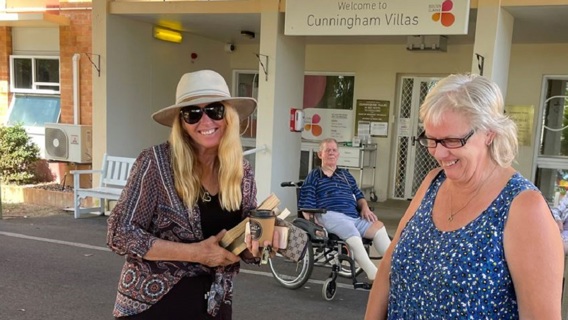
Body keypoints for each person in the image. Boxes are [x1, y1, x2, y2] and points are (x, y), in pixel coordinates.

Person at [365, 74, 563, 319]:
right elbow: (387, 267)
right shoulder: (432, 183)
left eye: (451, 140)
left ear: (489, 133)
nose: (438, 152)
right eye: (431, 139)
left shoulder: (524, 207)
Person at [106, 70, 272, 319]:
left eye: (215, 110)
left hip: (214, 302)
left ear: (229, 116)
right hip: (154, 305)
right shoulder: (155, 163)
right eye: (193, 113)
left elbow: (245, 239)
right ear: (182, 123)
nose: (205, 122)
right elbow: (119, 233)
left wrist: (261, 241)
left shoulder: (241, 171)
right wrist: (196, 253)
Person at [298, 138, 391, 285]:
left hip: (352, 216)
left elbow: (359, 195)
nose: (331, 153)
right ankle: (374, 274)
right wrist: (312, 223)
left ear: (338, 154)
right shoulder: (314, 176)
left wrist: (365, 208)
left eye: (334, 150)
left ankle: (394, 268)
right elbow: (306, 203)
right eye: (327, 150)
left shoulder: (346, 176)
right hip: (328, 214)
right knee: (350, 229)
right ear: (320, 154)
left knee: (377, 226)